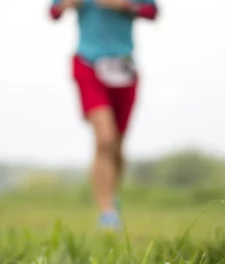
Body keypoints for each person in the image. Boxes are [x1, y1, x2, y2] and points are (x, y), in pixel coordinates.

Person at [49, 0, 159, 230]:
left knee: (117, 146)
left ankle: (111, 194)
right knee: (105, 138)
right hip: (88, 64)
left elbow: (152, 11)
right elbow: (54, 12)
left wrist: (124, 6)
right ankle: (106, 212)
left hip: (124, 68)